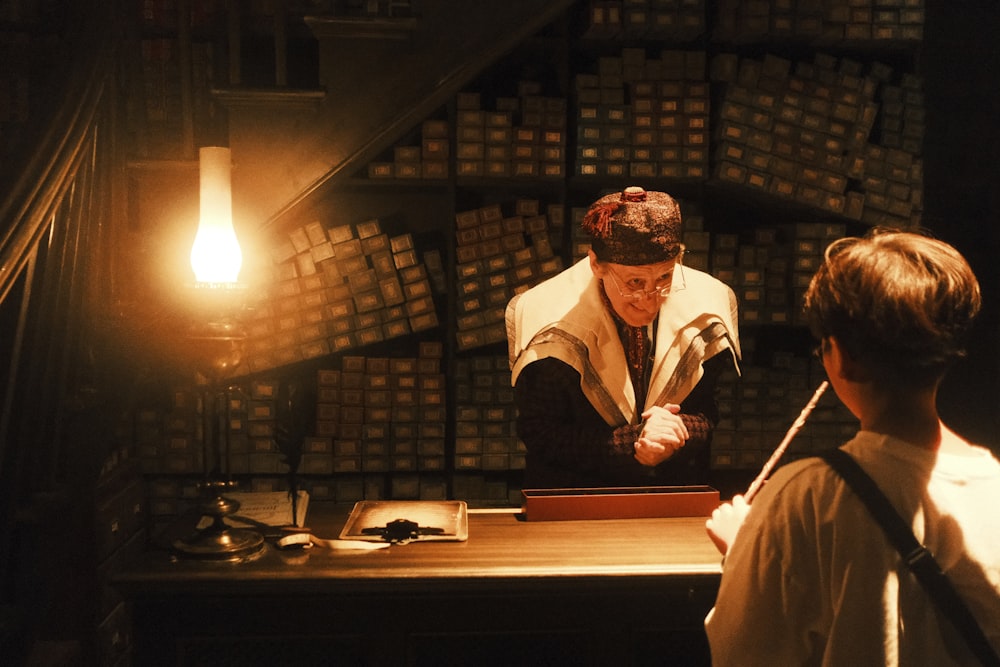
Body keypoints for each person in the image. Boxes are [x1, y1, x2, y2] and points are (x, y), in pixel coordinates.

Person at [704, 229, 1000, 665]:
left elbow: (742, 654)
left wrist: (748, 549)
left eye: (824, 344)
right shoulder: (993, 487)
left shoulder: (804, 498)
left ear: (843, 357)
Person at [505, 186, 740, 488]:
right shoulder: (548, 320)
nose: (649, 299)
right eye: (634, 282)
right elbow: (541, 433)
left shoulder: (708, 305)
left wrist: (678, 429)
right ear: (596, 265)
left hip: (671, 491)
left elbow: (710, 411)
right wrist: (632, 444)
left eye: (665, 277)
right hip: (574, 496)